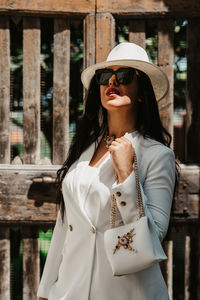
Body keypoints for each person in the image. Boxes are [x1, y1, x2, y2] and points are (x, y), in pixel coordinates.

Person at [37, 42, 176, 300]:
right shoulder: (83, 150)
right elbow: (64, 227)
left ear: (142, 92)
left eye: (124, 75)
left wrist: (126, 176)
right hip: (69, 291)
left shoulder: (158, 156)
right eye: (104, 76)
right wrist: (45, 292)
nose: (112, 80)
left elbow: (153, 238)